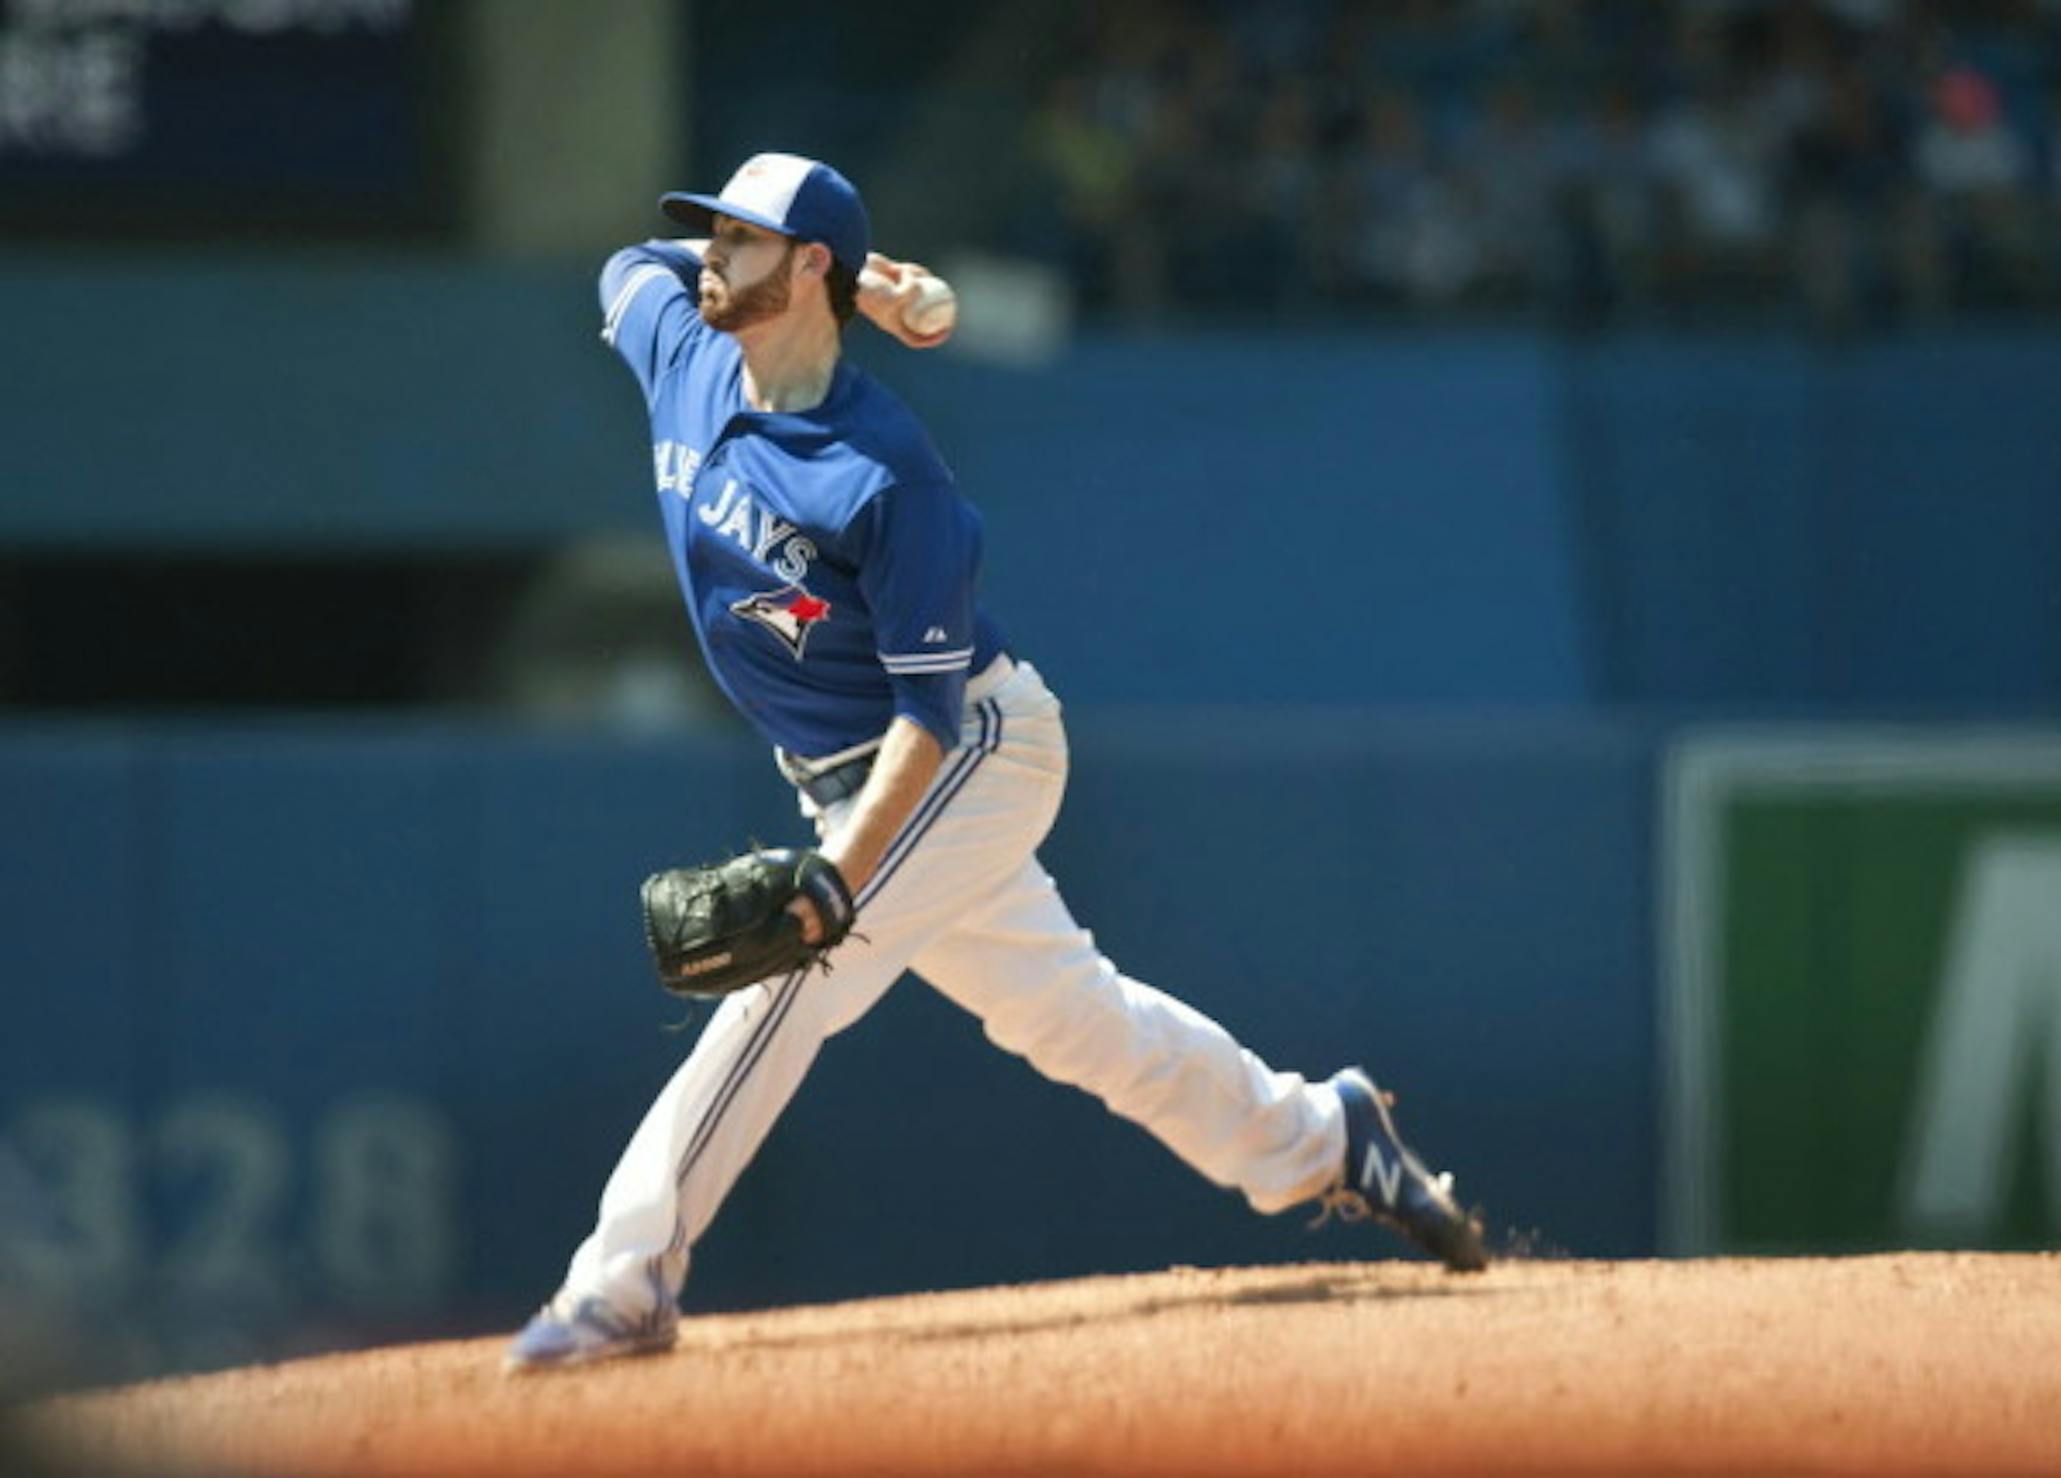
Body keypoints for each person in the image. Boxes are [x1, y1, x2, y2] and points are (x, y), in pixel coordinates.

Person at [505, 153, 1489, 1371]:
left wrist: (834, 883)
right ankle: (1327, 1136)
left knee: (787, 985)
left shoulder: (885, 469)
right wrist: (870, 286)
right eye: (711, 232)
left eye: (741, 237)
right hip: (844, 775)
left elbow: (927, 718)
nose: (712, 253)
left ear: (805, 264)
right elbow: (625, 267)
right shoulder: (683, 350)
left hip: (967, 750)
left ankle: (625, 1283)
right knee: (1077, 1021)